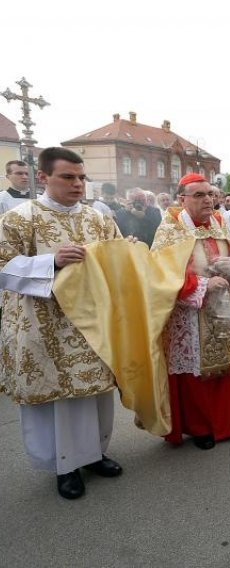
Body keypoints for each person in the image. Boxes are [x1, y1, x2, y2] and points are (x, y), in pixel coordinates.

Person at [0, 147, 125, 500]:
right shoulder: (19, 219)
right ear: (44, 177)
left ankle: (96, 453)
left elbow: (114, 257)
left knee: (94, 395)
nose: (78, 184)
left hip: (91, 322)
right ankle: (64, 465)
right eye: (68, 177)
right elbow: (2, 265)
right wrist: (49, 262)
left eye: (82, 177)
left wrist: (127, 255)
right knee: (59, 399)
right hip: (44, 324)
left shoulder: (98, 218)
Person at [151, 173, 230, 449]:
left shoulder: (217, 221)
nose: (208, 200)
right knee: (195, 372)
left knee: (223, 365)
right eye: (199, 195)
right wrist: (203, 284)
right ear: (182, 199)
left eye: (210, 194)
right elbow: (161, 273)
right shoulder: (170, 228)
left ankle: (226, 424)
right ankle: (199, 427)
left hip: (221, 306)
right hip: (189, 311)